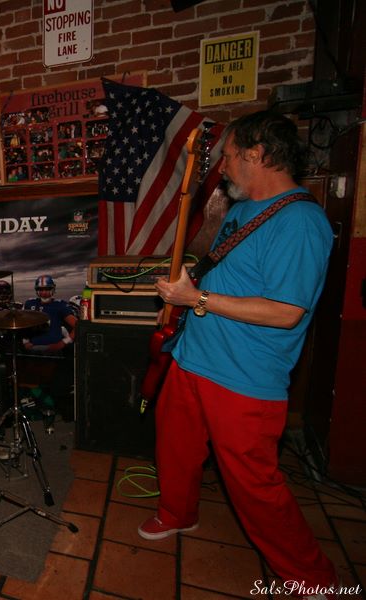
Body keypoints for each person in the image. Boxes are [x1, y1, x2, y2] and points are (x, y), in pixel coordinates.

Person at [141, 111, 337, 592]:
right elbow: (223, 267)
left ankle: (312, 580)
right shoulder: (245, 207)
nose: (222, 167)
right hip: (193, 357)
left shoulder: (300, 222)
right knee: (176, 449)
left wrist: (197, 299)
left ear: (256, 153)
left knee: (255, 488)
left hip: (243, 377)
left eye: (227, 157)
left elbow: (286, 312)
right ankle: (178, 513)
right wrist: (188, 282)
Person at [22, 275, 78, 353]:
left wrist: (64, 342)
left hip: (53, 348)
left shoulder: (60, 305)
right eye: (40, 289)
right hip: (32, 347)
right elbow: (23, 325)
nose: (44, 292)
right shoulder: (30, 303)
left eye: (47, 289)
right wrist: (25, 341)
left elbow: (78, 326)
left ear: (53, 289)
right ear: (36, 290)